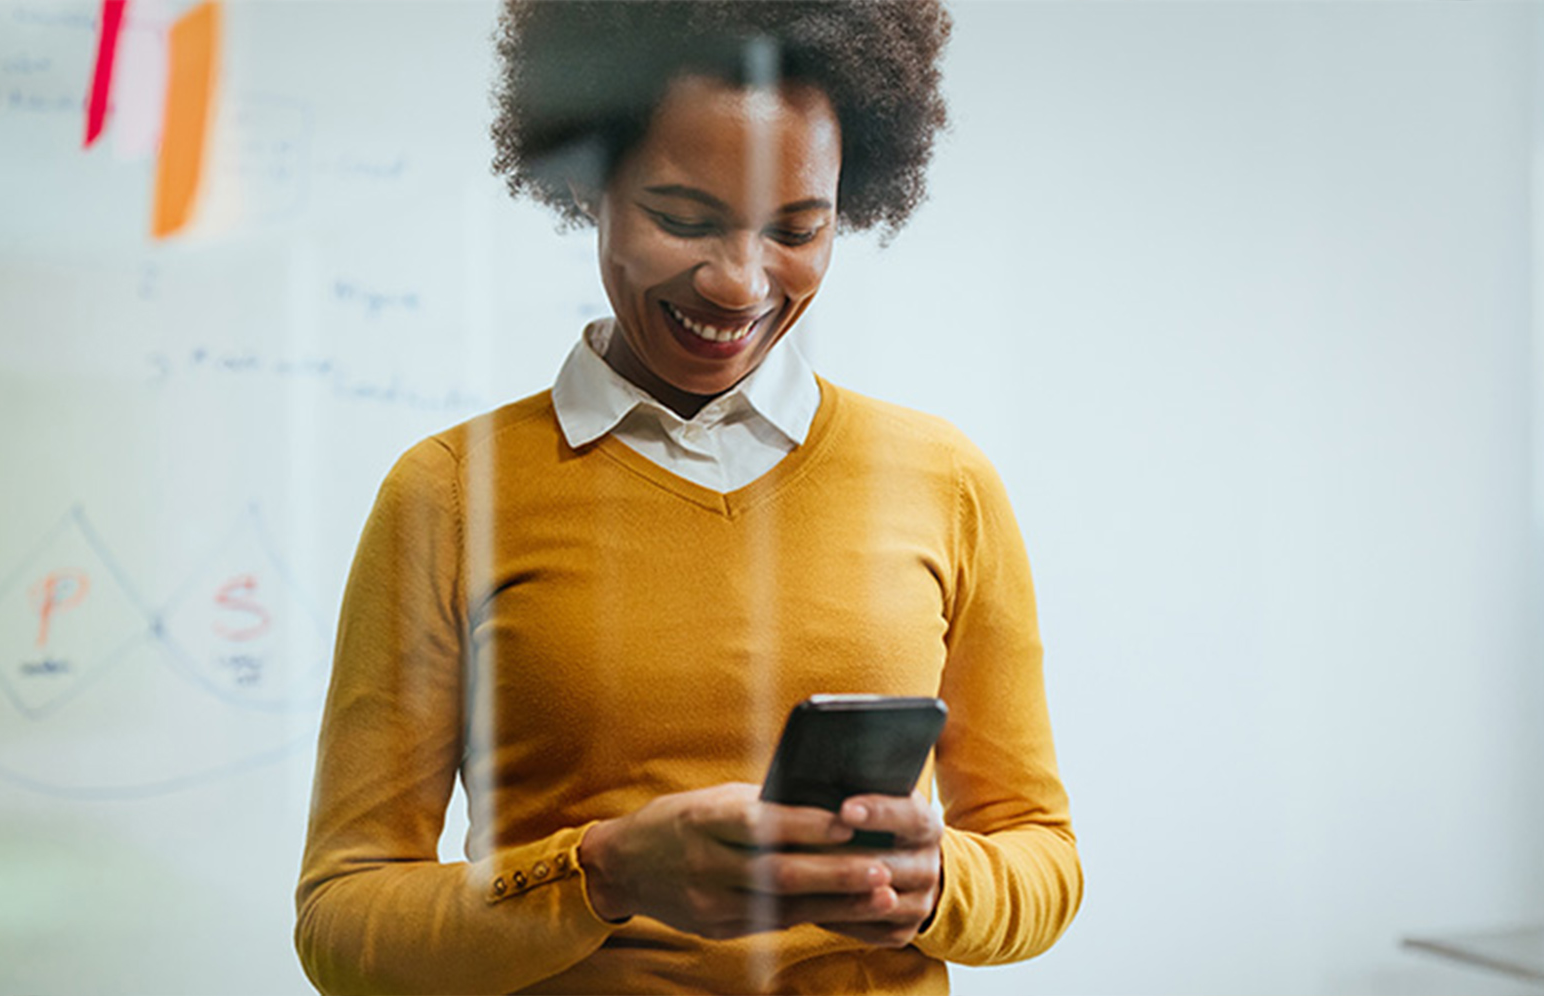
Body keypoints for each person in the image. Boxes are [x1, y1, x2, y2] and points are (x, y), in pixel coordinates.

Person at [295, 3, 1082, 993]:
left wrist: (934, 885)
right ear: (587, 184)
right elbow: (342, 923)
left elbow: (1039, 856)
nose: (739, 284)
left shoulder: (942, 479)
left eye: (797, 229)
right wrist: (604, 873)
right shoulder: (449, 495)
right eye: (683, 219)